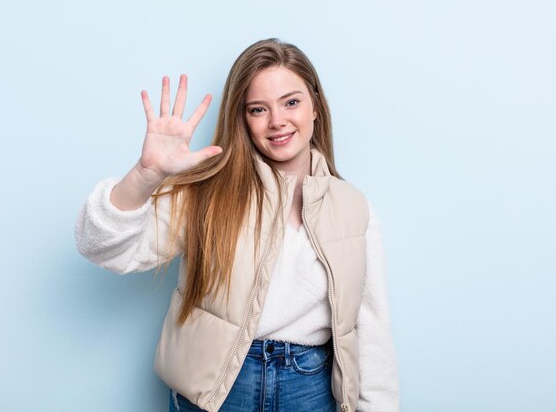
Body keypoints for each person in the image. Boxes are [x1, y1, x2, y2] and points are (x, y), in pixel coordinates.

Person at [75, 38, 399, 412]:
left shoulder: (355, 209)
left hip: (309, 388)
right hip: (218, 389)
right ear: (242, 118)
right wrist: (145, 175)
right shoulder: (209, 192)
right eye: (258, 109)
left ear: (315, 107)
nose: (277, 121)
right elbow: (101, 247)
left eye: (291, 102)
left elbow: (373, 333)